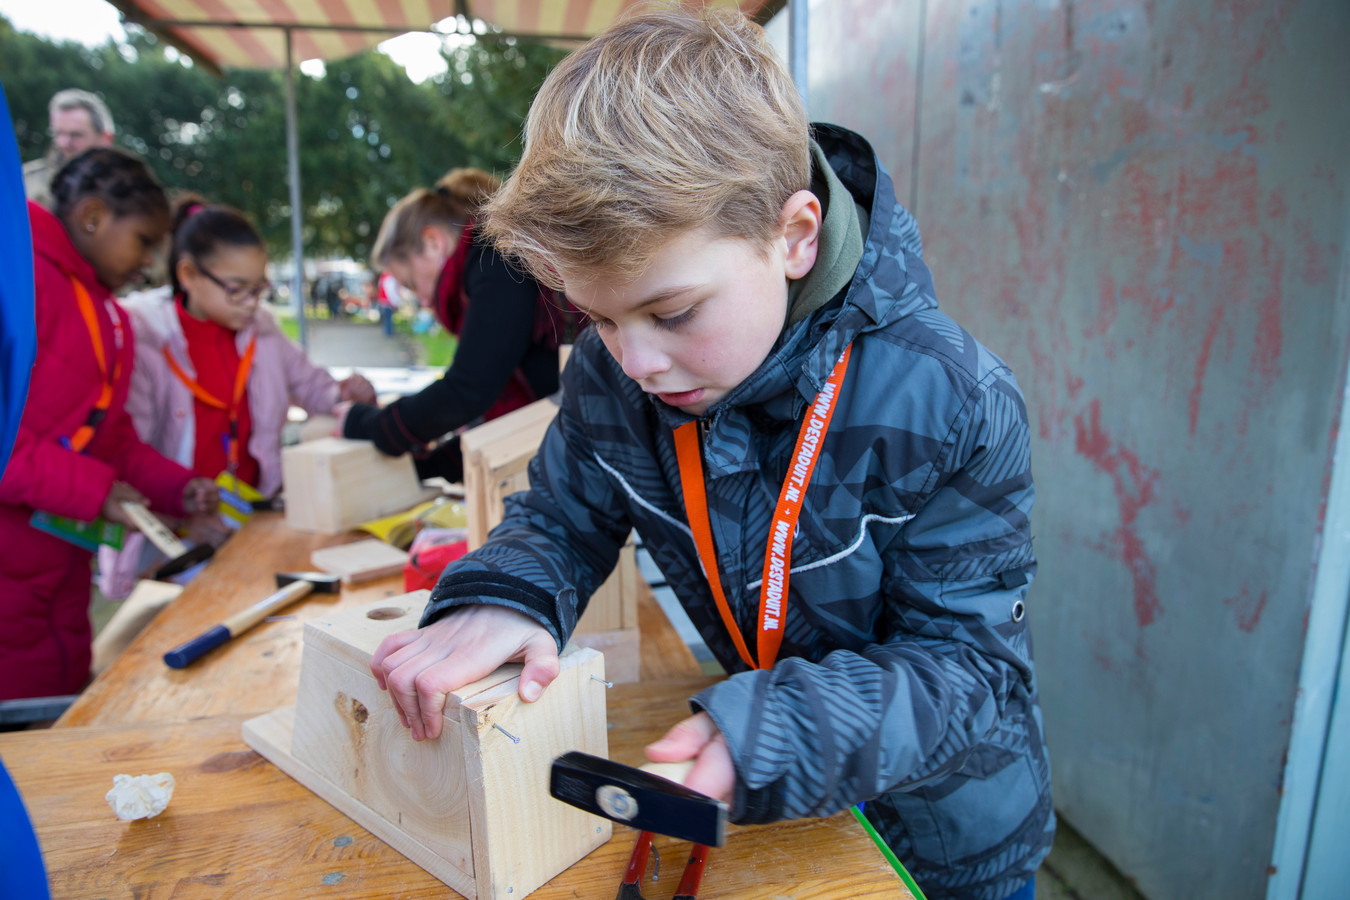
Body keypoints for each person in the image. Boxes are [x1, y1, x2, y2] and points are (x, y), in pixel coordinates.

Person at [367, 8, 1054, 900]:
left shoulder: (953, 399)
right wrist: (512, 594)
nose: (635, 361)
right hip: (777, 820)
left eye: (675, 311)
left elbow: (969, 671)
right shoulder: (617, 373)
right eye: (598, 317)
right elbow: (565, 514)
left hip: (950, 845)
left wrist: (777, 731)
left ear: (795, 234)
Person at [0, 148, 219, 701]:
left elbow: (111, 437)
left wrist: (174, 485)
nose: (148, 262)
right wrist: (97, 492)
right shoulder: (20, 283)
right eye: (143, 241)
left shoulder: (107, 315)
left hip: (58, 566)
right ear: (93, 217)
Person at [95, 197, 377, 599]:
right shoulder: (143, 334)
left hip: (246, 522)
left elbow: (315, 388)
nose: (251, 303)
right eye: (237, 290)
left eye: (258, 288)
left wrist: (344, 393)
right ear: (189, 274)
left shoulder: (261, 328)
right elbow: (125, 454)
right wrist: (183, 516)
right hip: (166, 543)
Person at [339, 167, 574, 482]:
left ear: (433, 242)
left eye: (409, 283)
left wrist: (365, 423)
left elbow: (468, 389)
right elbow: (490, 415)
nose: (422, 301)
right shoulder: (485, 267)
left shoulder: (494, 259)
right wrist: (422, 466)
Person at [22, 89, 116, 210]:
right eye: (58, 134)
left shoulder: (129, 190)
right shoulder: (26, 182)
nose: (64, 143)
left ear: (105, 139)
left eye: (76, 135)